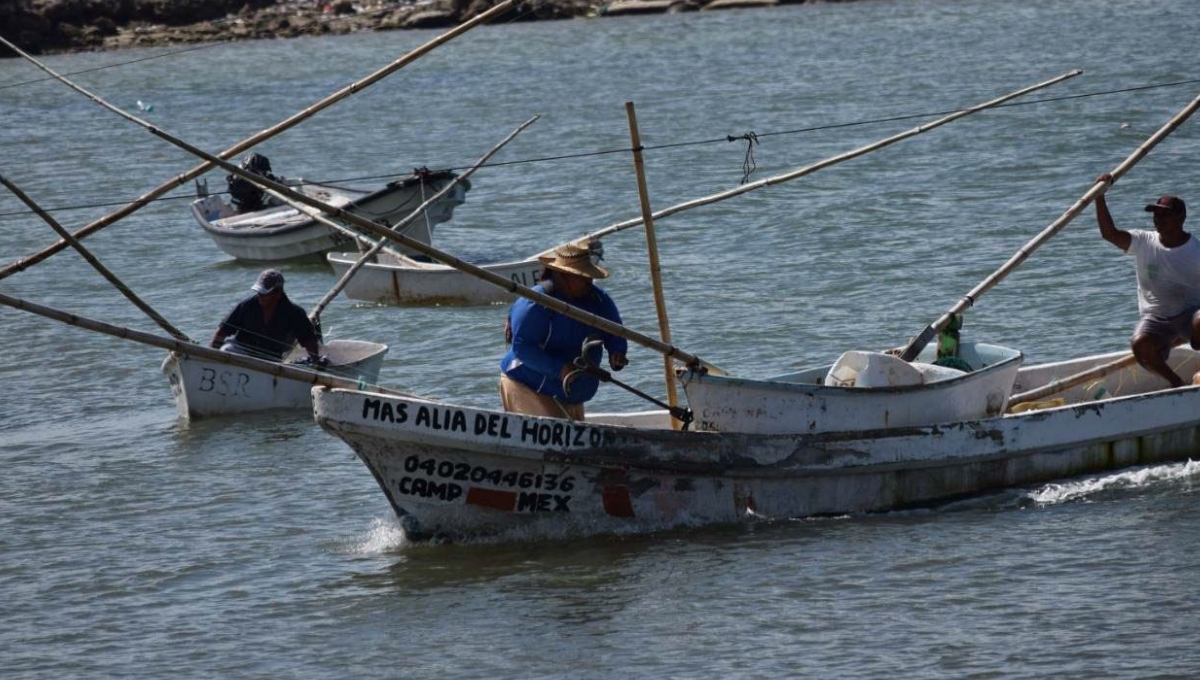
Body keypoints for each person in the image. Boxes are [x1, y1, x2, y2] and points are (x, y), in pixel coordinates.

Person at [499, 241, 628, 420]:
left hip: (570, 392)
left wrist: (617, 350)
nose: (589, 281)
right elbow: (522, 348)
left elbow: (614, 330)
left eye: (589, 276)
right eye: (582, 276)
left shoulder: (599, 300)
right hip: (528, 387)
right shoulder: (536, 303)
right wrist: (560, 369)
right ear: (562, 276)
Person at [1095, 172, 1200, 387]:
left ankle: (1193, 344)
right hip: (1156, 320)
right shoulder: (1143, 241)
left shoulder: (1196, 250)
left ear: (1180, 218)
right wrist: (1099, 196)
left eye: (1164, 215)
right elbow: (1109, 233)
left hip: (1189, 318)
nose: (1158, 220)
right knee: (1140, 344)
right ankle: (1176, 384)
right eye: (1156, 215)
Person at [210, 269, 324, 364]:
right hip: (240, 350)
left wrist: (316, 363)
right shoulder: (246, 306)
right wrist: (210, 356)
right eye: (258, 291)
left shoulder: (295, 313)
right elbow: (222, 331)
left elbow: (309, 341)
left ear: (278, 293)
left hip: (270, 359)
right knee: (226, 350)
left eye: (264, 293)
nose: (259, 295)